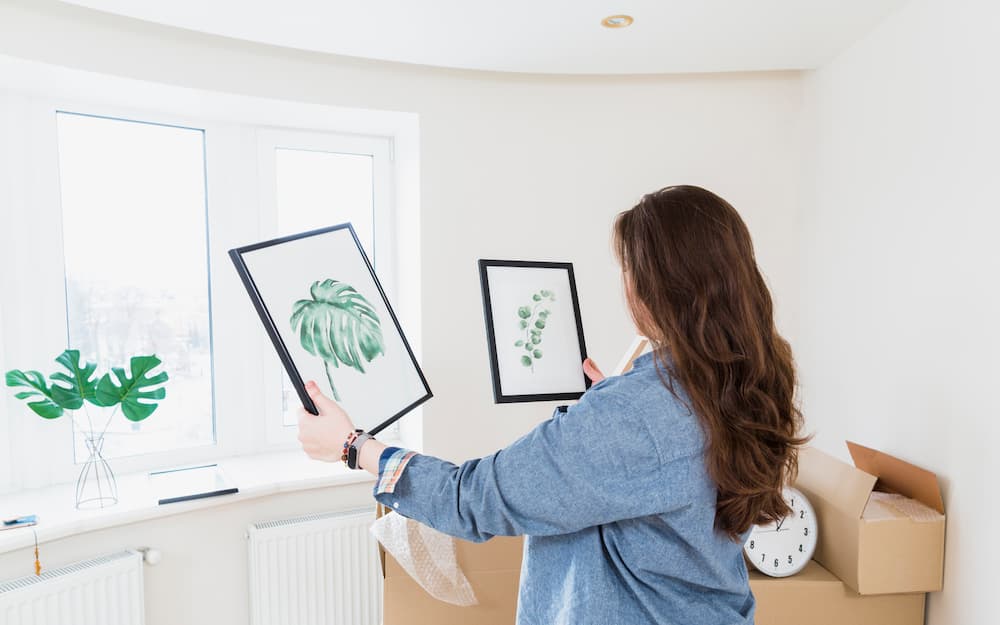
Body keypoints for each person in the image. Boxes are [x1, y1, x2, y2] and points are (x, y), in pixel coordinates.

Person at [297, 185, 807, 625]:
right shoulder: (747, 376)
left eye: (628, 270)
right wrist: (616, 407)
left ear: (656, 287)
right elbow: (672, 466)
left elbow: (473, 499)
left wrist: (353, 446)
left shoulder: (638, 414)